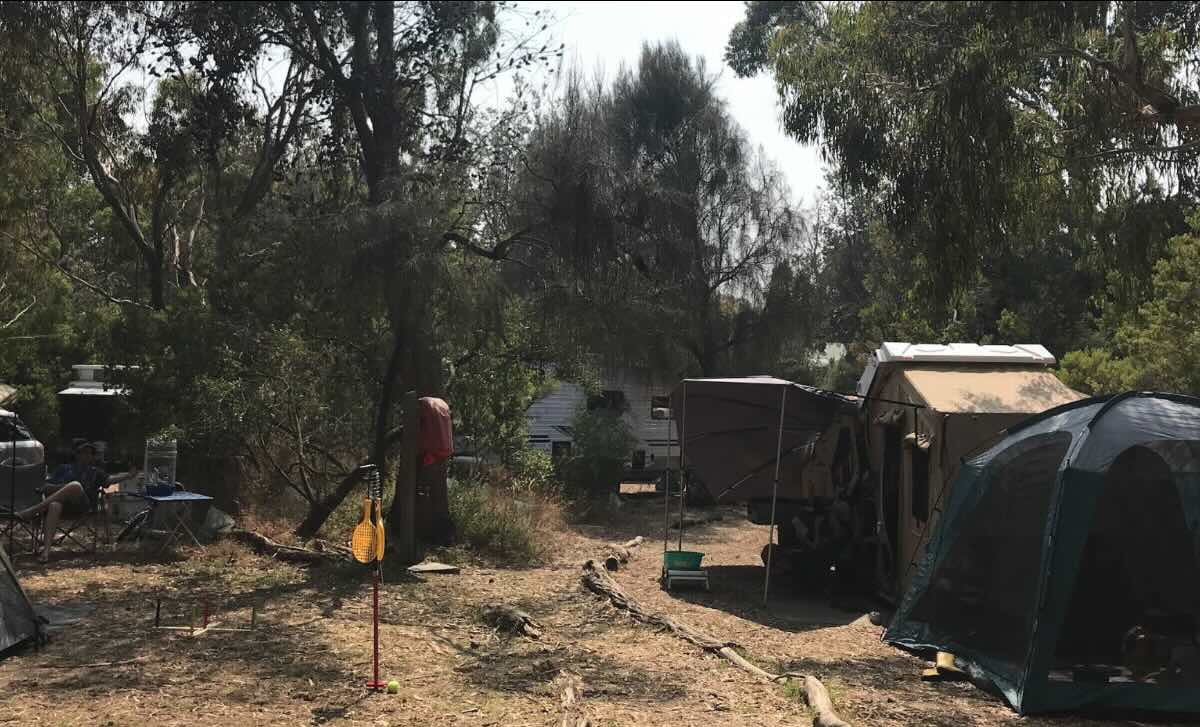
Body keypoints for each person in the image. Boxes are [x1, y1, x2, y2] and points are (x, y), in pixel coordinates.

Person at [15, 442, 137, 562]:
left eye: (90, 453)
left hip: (82, 506)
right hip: (64, 506)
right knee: (54, 505)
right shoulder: (63, 468)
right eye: (84, 452)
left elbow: (110, 480)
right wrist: (63, 488)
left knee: (75, 485)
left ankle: (32, 511)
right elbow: (46, 486)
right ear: (77, 454)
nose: (87, 455)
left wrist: (129, 475)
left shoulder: (96, 471)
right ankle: (46, 551)